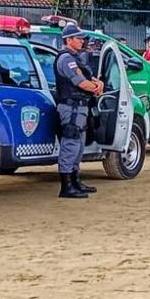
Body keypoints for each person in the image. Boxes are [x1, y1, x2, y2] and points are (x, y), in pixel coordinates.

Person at [54, 24, 104, 199]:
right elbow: (81, 83)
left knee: (79, 146)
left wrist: (98, 85)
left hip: (80, 107)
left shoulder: (76, 58)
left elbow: (89, 78)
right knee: (71, 144)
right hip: (71, 107)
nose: (82, 41)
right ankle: (66, 186)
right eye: (78, 38)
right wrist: (96, 89)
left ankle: (75, 181)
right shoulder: (67, 59)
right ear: (69, 40)